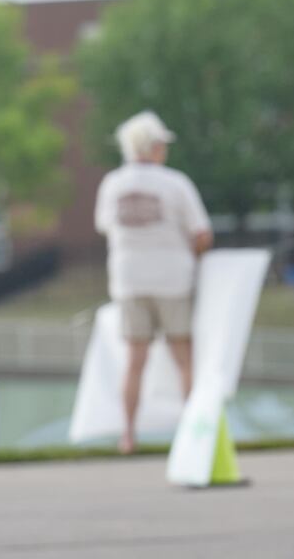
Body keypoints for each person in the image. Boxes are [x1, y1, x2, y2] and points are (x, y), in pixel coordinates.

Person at [93, 111, 212, 453]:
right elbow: (201, 234)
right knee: (183, 358)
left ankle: (128, 434)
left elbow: (104, 226)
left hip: (129, 280)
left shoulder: (112, 184)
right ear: (156, 146)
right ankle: (192, 434)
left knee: (135, 361)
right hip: (173, 280)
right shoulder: (175, 183)